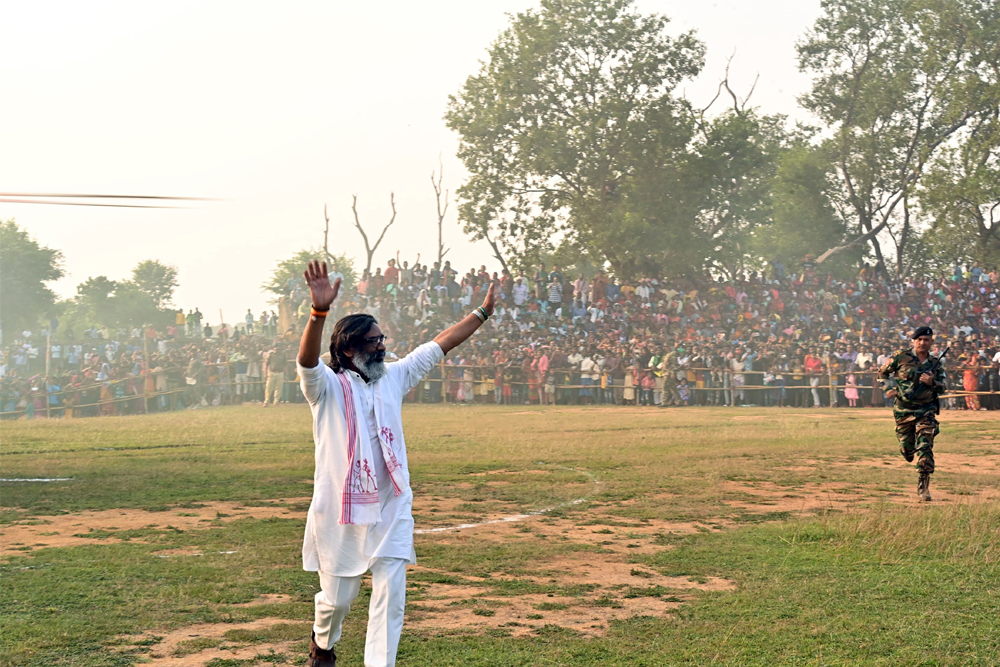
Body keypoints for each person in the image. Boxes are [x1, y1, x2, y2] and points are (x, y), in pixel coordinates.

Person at [296, 260, 496, 667]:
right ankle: (323, 644)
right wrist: (318, 313)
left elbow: (440, 344)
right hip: (342, 509)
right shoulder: (327, 388)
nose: (382, 346)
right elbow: (306, 363)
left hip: (391, 504)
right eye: (372, 341)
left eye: (381, 338)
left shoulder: (394, 376)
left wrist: (482, 313)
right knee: (338, 600)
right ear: (348, 349)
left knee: (391, 597)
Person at [878, 326, 948, 502]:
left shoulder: (935, 362)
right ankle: (907, 449)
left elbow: (943, 386)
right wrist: (887, 389)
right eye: (919, 340)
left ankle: (923, 487)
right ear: (913, 341)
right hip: (903, 409)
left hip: (926, 410)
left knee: (925, 447)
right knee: (907, 449)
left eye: (926, 340)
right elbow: (882, 373)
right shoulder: (900, 357)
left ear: (931, 342)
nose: (923, 343)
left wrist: (932, 382)